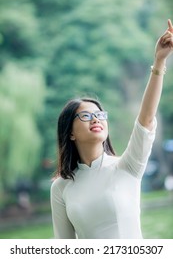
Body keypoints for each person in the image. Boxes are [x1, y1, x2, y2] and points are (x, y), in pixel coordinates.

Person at [51, 19, 173, 239]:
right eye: (86, 116)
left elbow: (145, 119)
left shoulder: (127, 166)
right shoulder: (61, 187)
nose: (96, 119)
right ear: (69, 132)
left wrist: (159, 62)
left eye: (99, 115)